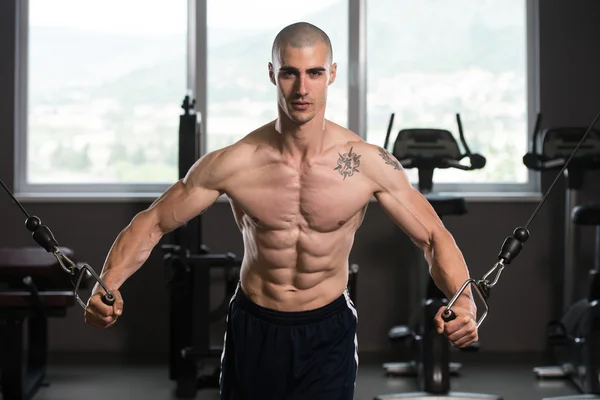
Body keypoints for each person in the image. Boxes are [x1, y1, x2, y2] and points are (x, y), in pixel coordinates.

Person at [84, 22, 478, 400]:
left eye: (314, 73)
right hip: (255, 325)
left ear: (332, 74)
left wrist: (464, 300)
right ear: (272, 74)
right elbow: (152, 222)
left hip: (328, 328)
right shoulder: (236, 163)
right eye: (290, 73)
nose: (302, 88)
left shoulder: (367, 163)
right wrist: (108, 283)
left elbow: (432, 235)